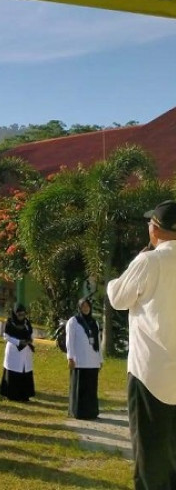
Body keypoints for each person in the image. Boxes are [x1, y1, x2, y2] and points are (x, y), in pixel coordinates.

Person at [107, 199, 176, 489]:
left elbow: (118, 298)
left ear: (157, 230)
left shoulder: (150, 260)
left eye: (150, 223)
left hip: (150, 376)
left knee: (150, 458)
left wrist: (128, 269)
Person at [66, 297, 102, 420]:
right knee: (79, 388)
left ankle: (91, 412)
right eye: (83, 306)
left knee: (91, 388)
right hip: (79, 361)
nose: (85, 308)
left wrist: (100, 360)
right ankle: (77, 412)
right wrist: (70, 357)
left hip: (93, 361)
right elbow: (69, 341)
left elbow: (98, 342)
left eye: (87, 306)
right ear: (79, 308)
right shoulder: (74, 321)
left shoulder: (94, 322)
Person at [0, 304, 35, 402]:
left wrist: (30, 340)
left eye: (23, 314)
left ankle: (24, 395)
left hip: (25, 351)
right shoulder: (10, 322)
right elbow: (6, 336)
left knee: (24, 371)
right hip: (14, 350)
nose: (21, 316)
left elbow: (31, 333)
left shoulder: (26, 322)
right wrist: (18, 342)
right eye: (19, 314)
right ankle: (12, 395)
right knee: (13, 372)